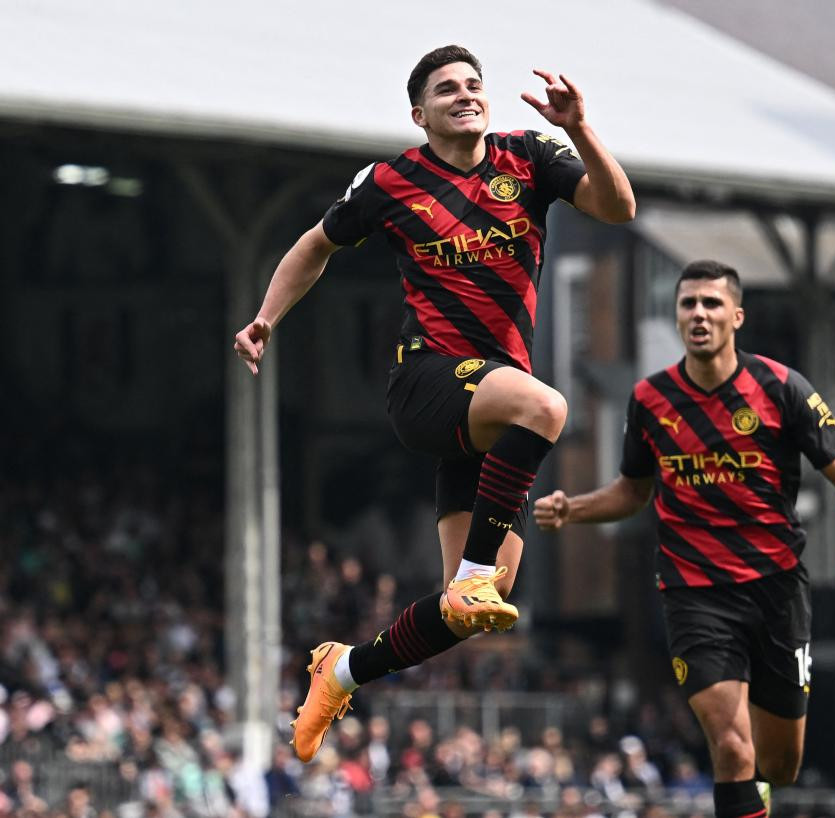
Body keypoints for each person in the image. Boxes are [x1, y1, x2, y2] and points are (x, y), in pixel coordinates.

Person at [233, 44, 635, 763]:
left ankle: (344, 669)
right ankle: (476, 575)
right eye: (447, 89)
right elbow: (314, 247)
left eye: (475, 85)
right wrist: (267, 317)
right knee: (546, 410)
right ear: (419, 113)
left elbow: (617, 206)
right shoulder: (391, 181)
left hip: (491, 406)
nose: (466, 95)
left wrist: (580, 128)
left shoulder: (532, 157)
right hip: (429, 384)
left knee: (470, 610)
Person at [534, 260, 835, 818]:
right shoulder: (651, 400)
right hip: (694, 593)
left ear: (736, 316)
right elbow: (633, 491)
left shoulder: (783, 389)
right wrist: (576, 509)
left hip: (777, 590)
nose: (699, 313)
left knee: (778, 763)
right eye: (688, 303)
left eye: (712, 304)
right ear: (676, 317)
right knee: (731, 745)